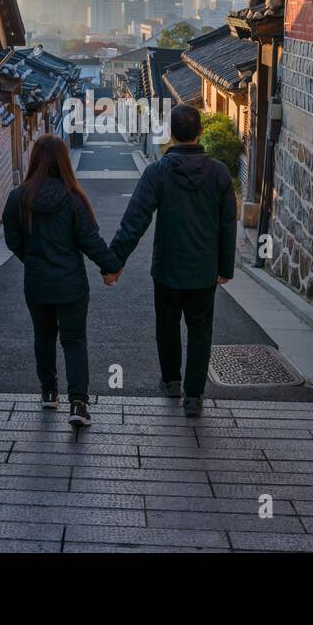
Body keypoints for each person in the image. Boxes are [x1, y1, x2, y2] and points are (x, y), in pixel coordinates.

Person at [108, 104, 236, 416]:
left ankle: (171, 381)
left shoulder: (158, 172)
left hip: (166, 268)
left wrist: (114, 260)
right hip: (203, 270)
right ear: (200, 132)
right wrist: (225, 267)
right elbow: (228, 222)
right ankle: (194, 396)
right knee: (200, 330)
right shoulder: (218, 173)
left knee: (166, 326)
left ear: (171, 134)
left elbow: (135, 218)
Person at [2, 134, 122, 427]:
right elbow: (90, 241)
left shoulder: (18, 198)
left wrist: (31, 260)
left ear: (34, 161)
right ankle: (78, 405)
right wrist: (111, 267)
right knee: (74, 340)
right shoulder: (74, 198)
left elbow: (12, 238)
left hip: (37, 284)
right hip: (71, 285)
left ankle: (48, 392)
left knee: (43, 336)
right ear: (64, 162)